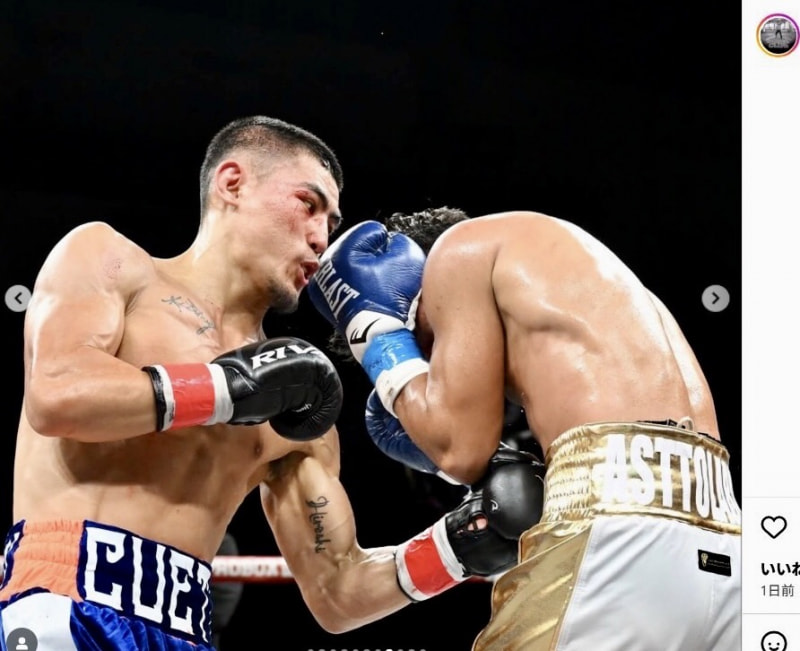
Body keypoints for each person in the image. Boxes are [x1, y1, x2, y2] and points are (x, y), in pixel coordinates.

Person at [0, 120, 544, 650]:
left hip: (185, 628)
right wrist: (229, 387)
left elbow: (339, 593)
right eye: (308, 204)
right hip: (67, 600)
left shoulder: (301, 408)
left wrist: (458, 546)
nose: (320, 238)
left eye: (331, 222)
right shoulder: (112, 261)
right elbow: (58, 395)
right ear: (232, 183)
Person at [308, 206, 742, 650]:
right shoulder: (602, 285)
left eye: (424, 351)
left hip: (614, 534)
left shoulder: (458, 252)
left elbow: (460, 450)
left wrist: (378, 336)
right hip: (726, 546)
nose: (435, 372)